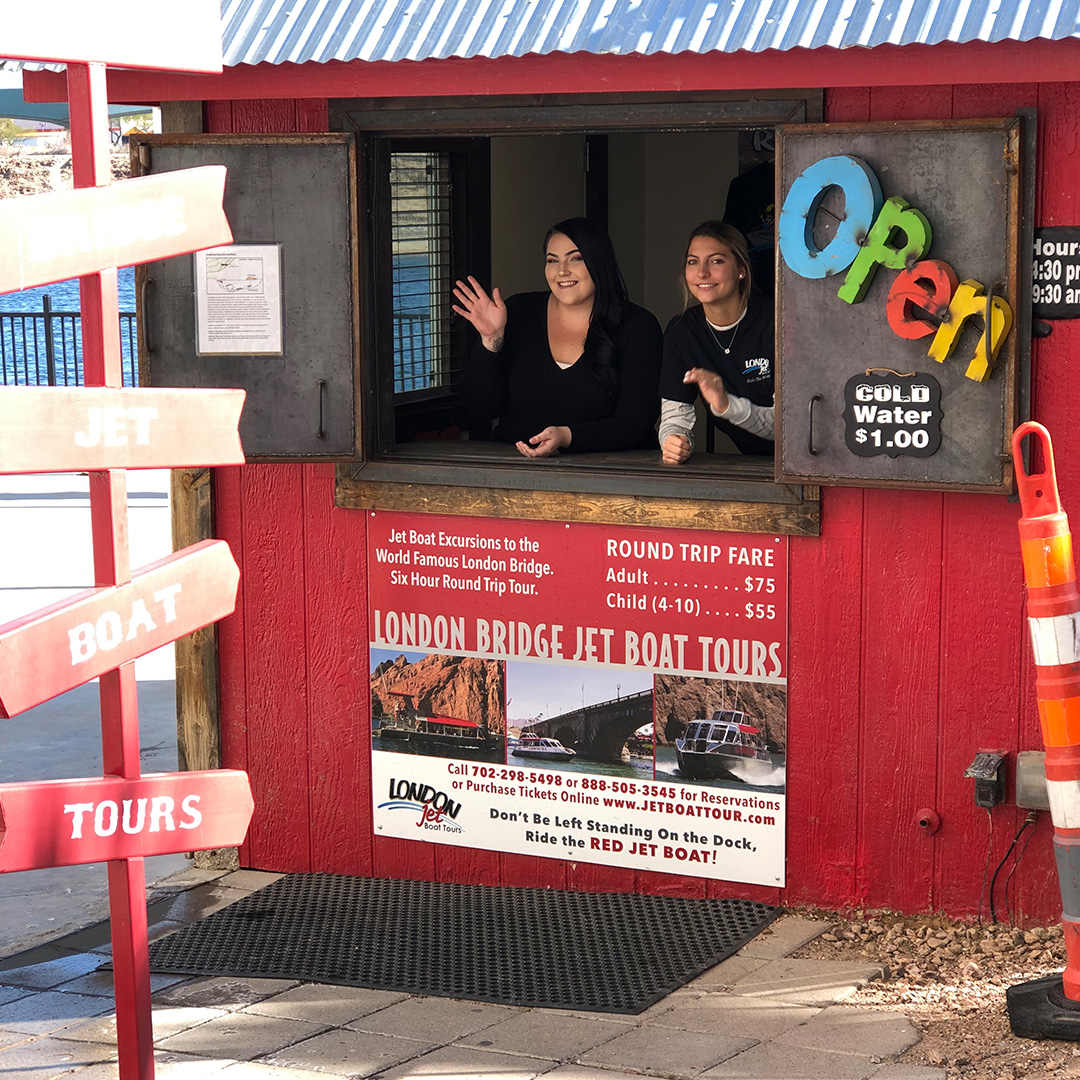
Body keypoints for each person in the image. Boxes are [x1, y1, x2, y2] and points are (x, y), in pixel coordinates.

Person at [454, 218, 662, 457]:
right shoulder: (519, 312)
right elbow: (479, 408)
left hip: (612, 478)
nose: (562, 271)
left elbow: (634, 424)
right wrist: (491, 340)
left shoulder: (638, 326)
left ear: (599, 262)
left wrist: (567, 437)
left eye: (576, 258)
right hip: (519, 472)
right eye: (552, 260)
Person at [658, 221, 775, 464]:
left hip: (804, 461)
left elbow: (789, 427)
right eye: (693, 261)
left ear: (741, 269)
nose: (702, 272)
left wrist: (726, 404)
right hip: (749, 465)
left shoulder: (776, 321)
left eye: (716, 261)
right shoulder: (682, 331)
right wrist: (674, 440)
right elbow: (675, 417)